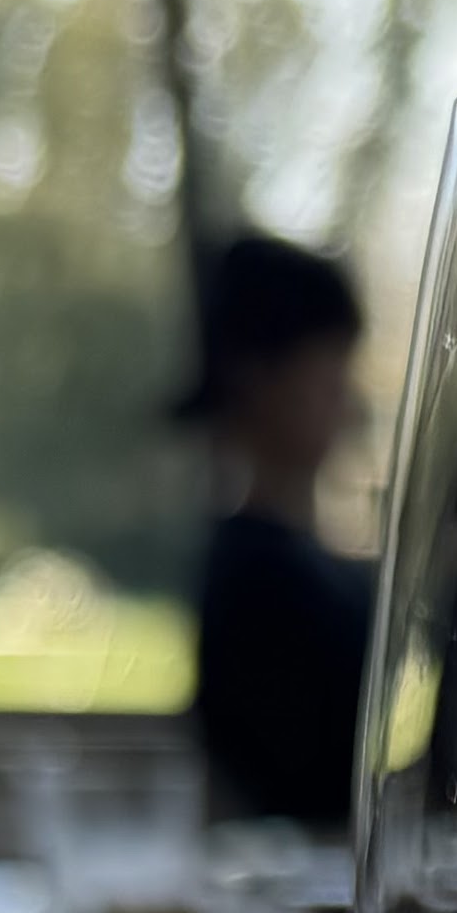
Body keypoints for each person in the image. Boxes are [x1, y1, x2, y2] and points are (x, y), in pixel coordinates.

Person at [182, 226, 372, 831]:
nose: (348, 403)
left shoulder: (302, 565)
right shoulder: (255, 577)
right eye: (329, 374)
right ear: (257, 378)